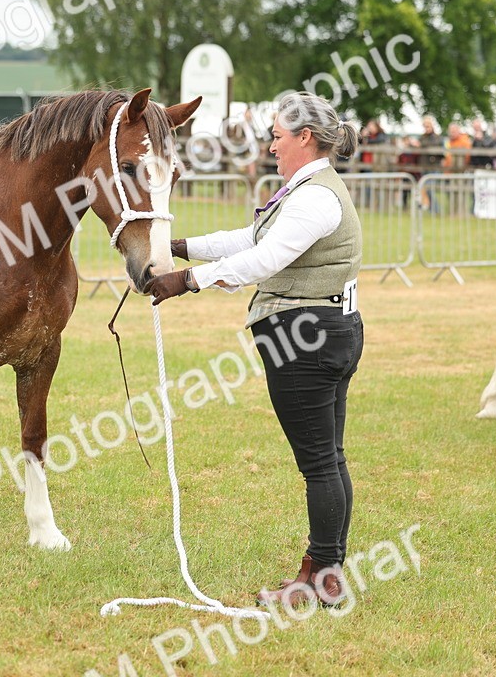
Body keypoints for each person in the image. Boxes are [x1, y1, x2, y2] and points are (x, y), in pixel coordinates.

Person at [147, 91, 364, 608]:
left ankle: (324, 578)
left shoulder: (315, 197)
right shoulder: (306, 188)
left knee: (319, 463)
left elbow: (263, 259)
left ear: (304, 138)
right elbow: (250, 236)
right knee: (328, 459)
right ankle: (323, 569)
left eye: (278, 135)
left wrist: (187, 282)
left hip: (308, 335)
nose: (270, 144)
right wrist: (180, 247)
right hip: (323, 328)